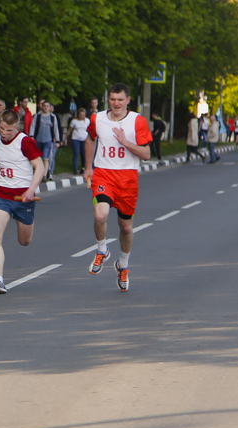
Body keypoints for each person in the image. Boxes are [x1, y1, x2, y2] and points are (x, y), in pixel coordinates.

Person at [83, 83, 151, 292]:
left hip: (127, 179)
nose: (116, 103)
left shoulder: (137, 121)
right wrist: (88, 167)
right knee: (100, 215)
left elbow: (146, 154)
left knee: (126, 227)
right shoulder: (98, 118)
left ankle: (123, 264)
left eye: (120, 99)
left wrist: (125, 142)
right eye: (113, 99)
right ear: (108, 100)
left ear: (128, 100)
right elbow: (90, 139)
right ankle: (102, 250)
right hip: (103, 174)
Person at [0, 109, 45, 294]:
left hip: (23, 198)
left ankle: (26, 220)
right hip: (2, 196)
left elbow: (39, 166)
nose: (4, 133)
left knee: (24, 241)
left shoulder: (26, 142)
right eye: (1, 128)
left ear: (16, 128)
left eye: (9, 130)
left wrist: (31, 189)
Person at [29, 100, 60, 179]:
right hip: (38, 140)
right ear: (41, 107)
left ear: (50, 108)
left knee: (46, 158)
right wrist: (31, 136)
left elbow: (56, 128)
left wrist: (57, 140)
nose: (46, 108)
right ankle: (37, 174)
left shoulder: (53, 117)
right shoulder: (37, 116)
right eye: (44, 106)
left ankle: (44, 175)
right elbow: (33, 126)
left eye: (47, 106)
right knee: (37, 158)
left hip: (48, 140)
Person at [65, 108, 90, 173]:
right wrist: (65, 138)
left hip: (84, 138)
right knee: (76, 153)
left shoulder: (87, 121)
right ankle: (75, 168)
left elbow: (90, 130)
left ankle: (83, 167)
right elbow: (70, 130)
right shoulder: (74, 121)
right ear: (78, 115)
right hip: (75, 138)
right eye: (80, 115)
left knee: (83, 153)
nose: (82, 116)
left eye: (83, 115)